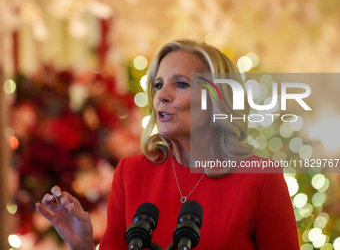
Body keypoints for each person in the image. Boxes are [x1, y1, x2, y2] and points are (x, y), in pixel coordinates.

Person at [36, 39, 300, 250]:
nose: (161, 95)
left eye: (181, 84)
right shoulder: (131, 173)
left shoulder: (261, 177)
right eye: (159, 84)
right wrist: (82, 246)